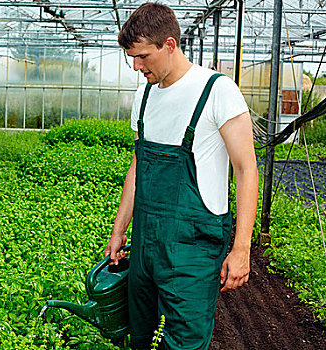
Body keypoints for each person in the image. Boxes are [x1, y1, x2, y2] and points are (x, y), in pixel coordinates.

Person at [103, 3, 258, 349]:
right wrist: (119, 232)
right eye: (132, 57)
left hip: (192, 248)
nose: (136, 65)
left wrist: (242, 248)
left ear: (169, 45)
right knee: (140, 337)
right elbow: (138, 165)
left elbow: (246, 169)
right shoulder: (144, 94)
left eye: (142, 56)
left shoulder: (217, 91)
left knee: (185, 342)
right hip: (144, 245)